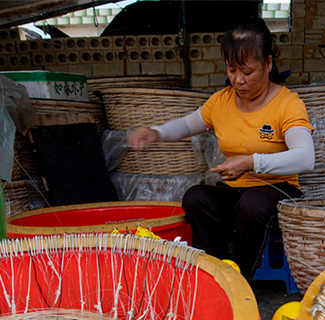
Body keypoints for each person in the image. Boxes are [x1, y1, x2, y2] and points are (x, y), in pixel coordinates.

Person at [128, 18, 314, 277]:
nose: (238, 80)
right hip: (235, 191)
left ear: (268, 63)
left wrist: (250, 162)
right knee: (196, 197)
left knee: (250, 205)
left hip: (278, 190)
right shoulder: (221, 101)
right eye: (232, 70)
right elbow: (187, 124)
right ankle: (213, 271)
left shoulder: (288, 104)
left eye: (247, 72)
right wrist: (156, 132)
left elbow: (305, 158)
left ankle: (239, 276)